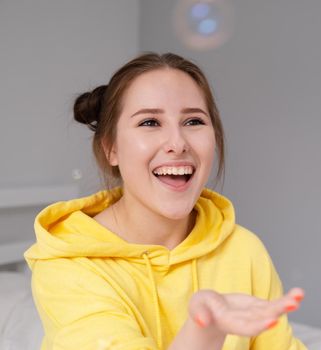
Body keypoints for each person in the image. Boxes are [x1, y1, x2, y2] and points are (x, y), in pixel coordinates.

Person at [24, 52, 306, 350]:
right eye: (149, 122)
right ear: (111, 149)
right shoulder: (68, 266)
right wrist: (205, 332)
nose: (177, 143)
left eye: (194, 120)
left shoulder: (244, 249)